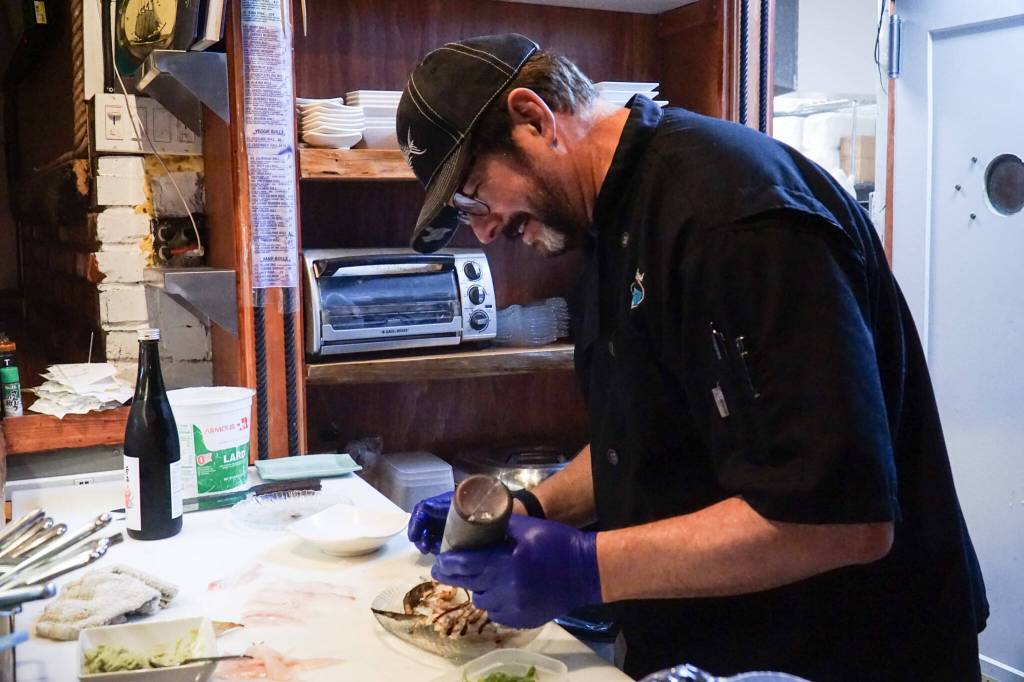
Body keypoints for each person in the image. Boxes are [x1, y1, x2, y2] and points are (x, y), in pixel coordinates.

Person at [396, 34, 988, 681]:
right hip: (712, 653)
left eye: (478, 195)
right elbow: (642, 436)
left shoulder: (734, 218)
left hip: (847, 651)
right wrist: (523, 510)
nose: (483, 230)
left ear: (535, 119)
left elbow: (842, 521)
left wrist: (586, 567)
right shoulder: (603, 224)